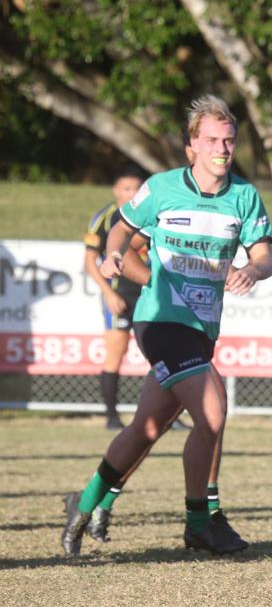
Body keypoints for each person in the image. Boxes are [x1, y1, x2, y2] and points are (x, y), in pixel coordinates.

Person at [60, 94, 272, 556]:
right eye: (212, 140)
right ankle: (199, 523)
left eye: (230, 140)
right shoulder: (160, 188)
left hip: (201, 329)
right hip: (158, 321)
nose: (223, 148)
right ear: (191, 147)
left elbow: (264, 256)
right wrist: (117, 252)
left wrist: (253, 270)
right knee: (213, 413)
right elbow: (122, 227)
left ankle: (87, 499)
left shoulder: (244, 196)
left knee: (147, 428)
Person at [83, 165, 147, 430]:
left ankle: (168, 416)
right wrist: (109, 293)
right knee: (115, 353)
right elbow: (89, 261)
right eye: (126, 188)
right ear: (116, 190)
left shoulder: (150, 215)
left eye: (137, 188)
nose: (132, 193)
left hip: (148, 294)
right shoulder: (105, 218)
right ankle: (111, 416)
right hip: (119, 295)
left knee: (160, 356)